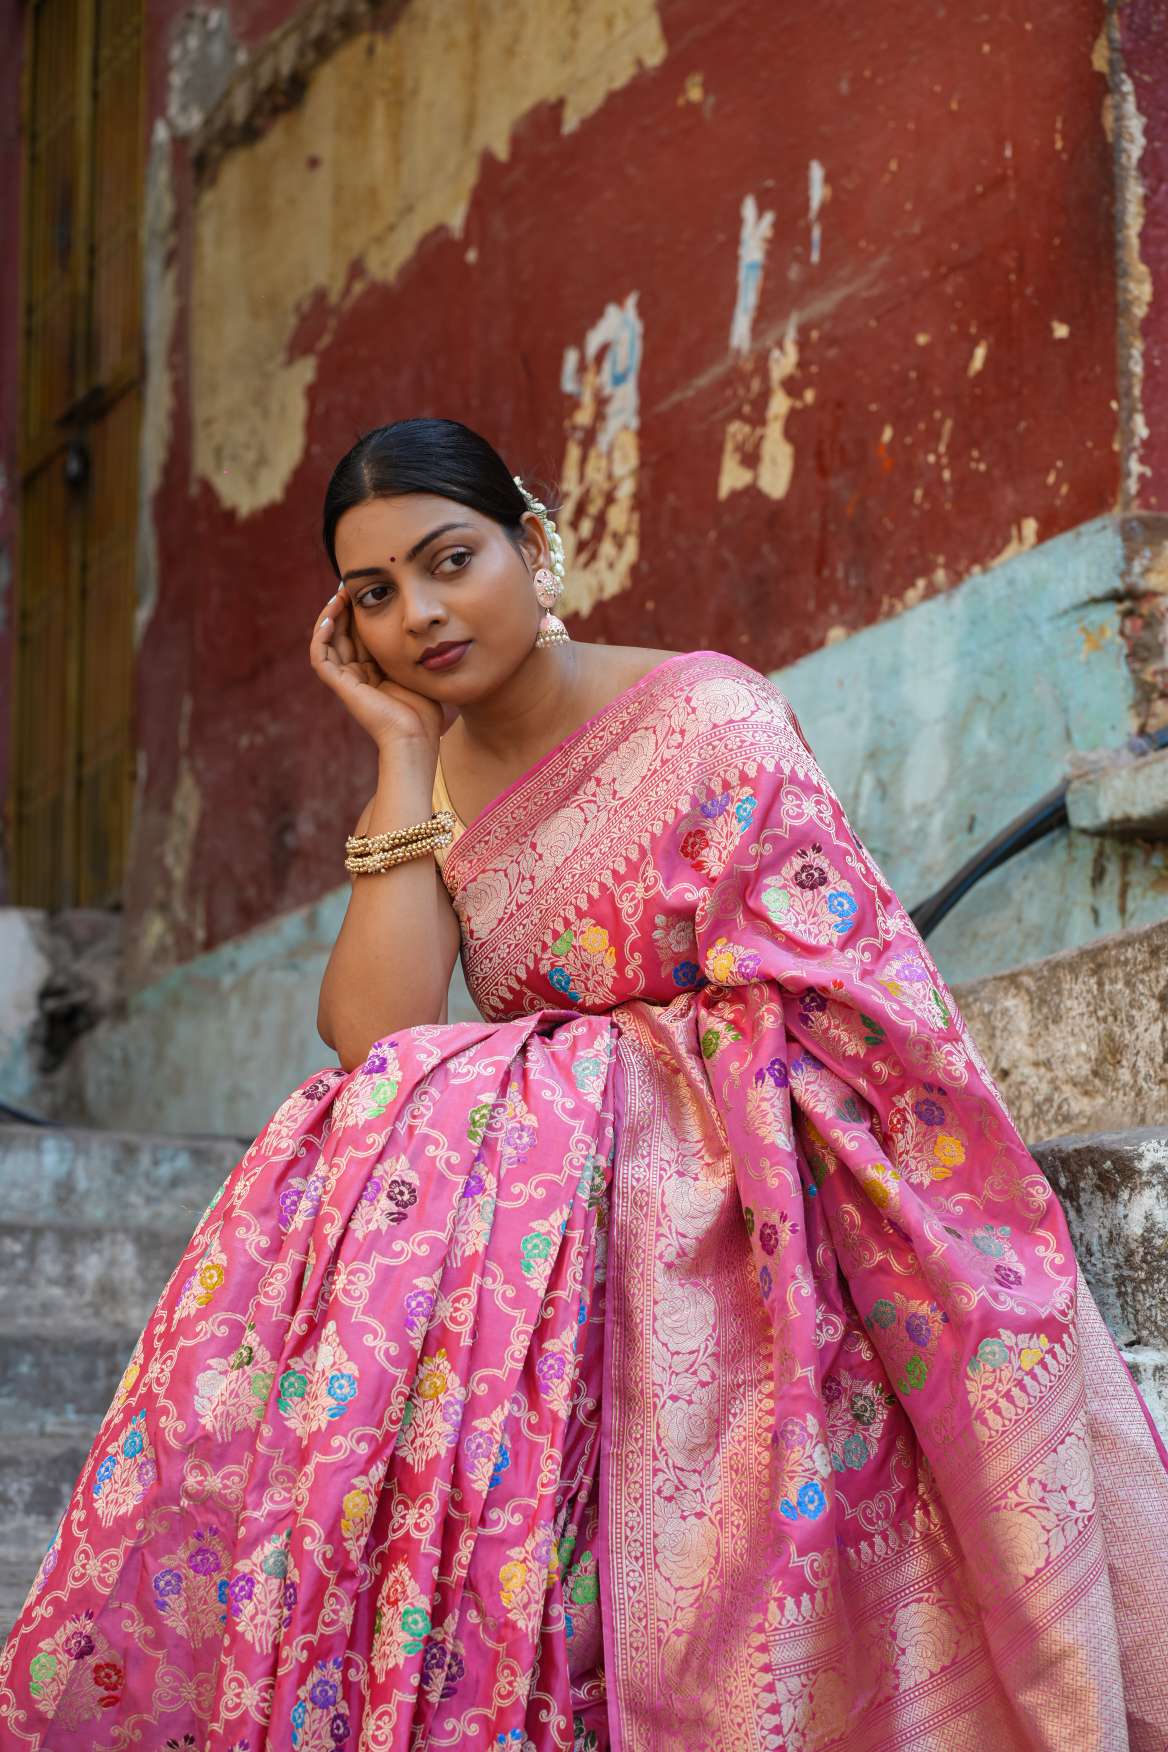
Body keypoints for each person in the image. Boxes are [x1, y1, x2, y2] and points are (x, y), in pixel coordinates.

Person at [2, 417, 1166, 1752]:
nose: (420, 614)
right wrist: (399, 753)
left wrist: (595, 1080)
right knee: (380, 1114)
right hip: (558, 1227)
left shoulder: (706, 716)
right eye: (374, 594)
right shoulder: (432, 780)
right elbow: (374, 1039)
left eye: (451, 560)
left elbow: (851, 1001)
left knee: (453, 1110)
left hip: (734, 1183)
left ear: (534, 545)